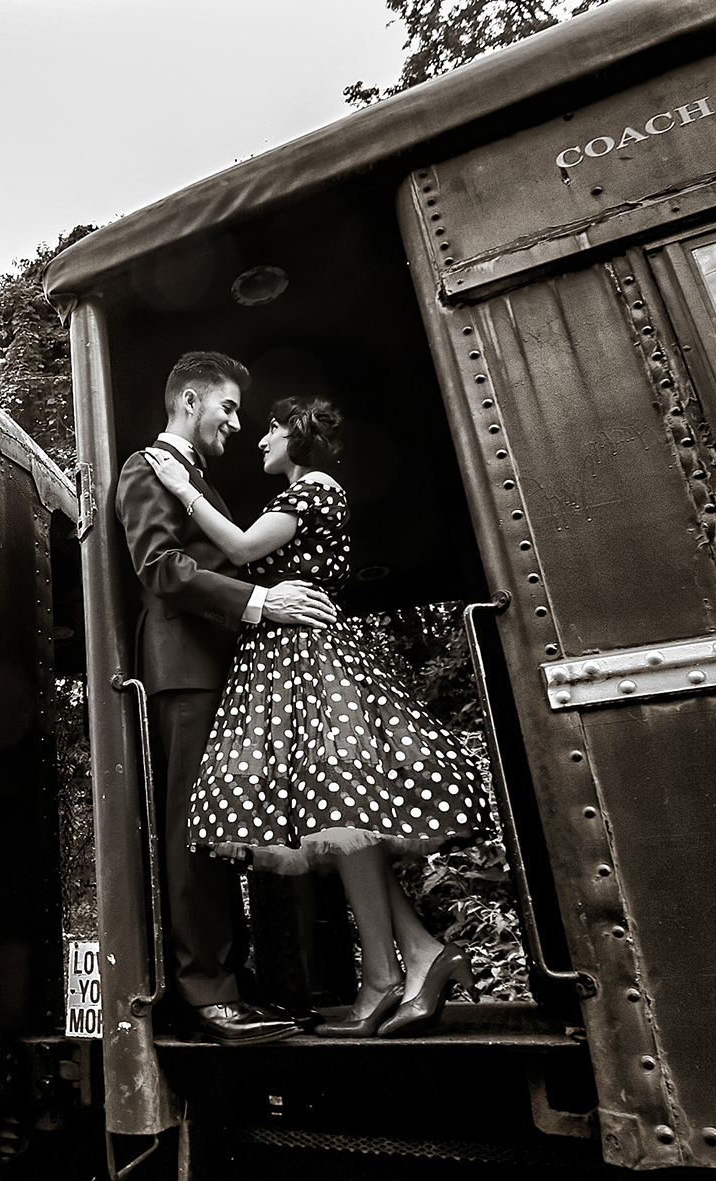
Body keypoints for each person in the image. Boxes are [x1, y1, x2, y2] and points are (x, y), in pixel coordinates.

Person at [141, 395, 491, 1038]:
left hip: (303, 656)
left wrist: (183, 490)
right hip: (287, 658)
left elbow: (244, 551)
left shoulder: (315, 489)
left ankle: (386, 974)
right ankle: (418, 956)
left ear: (295, 433)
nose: (257, 440)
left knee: (342, 810)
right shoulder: (302, 495)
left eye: (268, 428)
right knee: (340, 816)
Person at [114, 353, 340, 1046]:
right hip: (185, 671)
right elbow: (161, 568)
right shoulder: (144, 467)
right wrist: (262, 602)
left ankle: (239, 984)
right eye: (230, 408)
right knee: (194, 830)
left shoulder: (197, 480)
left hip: (221, 670)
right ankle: (207, 992)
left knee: (227, 830)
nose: (239, 424)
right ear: (190, 400)